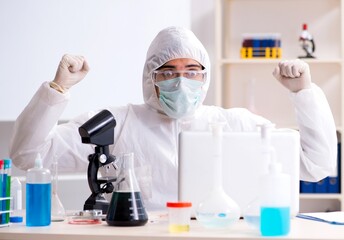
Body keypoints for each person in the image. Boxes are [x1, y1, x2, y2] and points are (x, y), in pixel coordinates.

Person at [9, 26, 337, 210]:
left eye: (192, 71)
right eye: (168, 72)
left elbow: (316, 165)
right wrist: (57, 88)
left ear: (204, 77)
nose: (181, 81)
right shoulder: (118, 123)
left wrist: (303, 93)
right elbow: (27, 157)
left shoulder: (235, 124)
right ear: (151, 76)